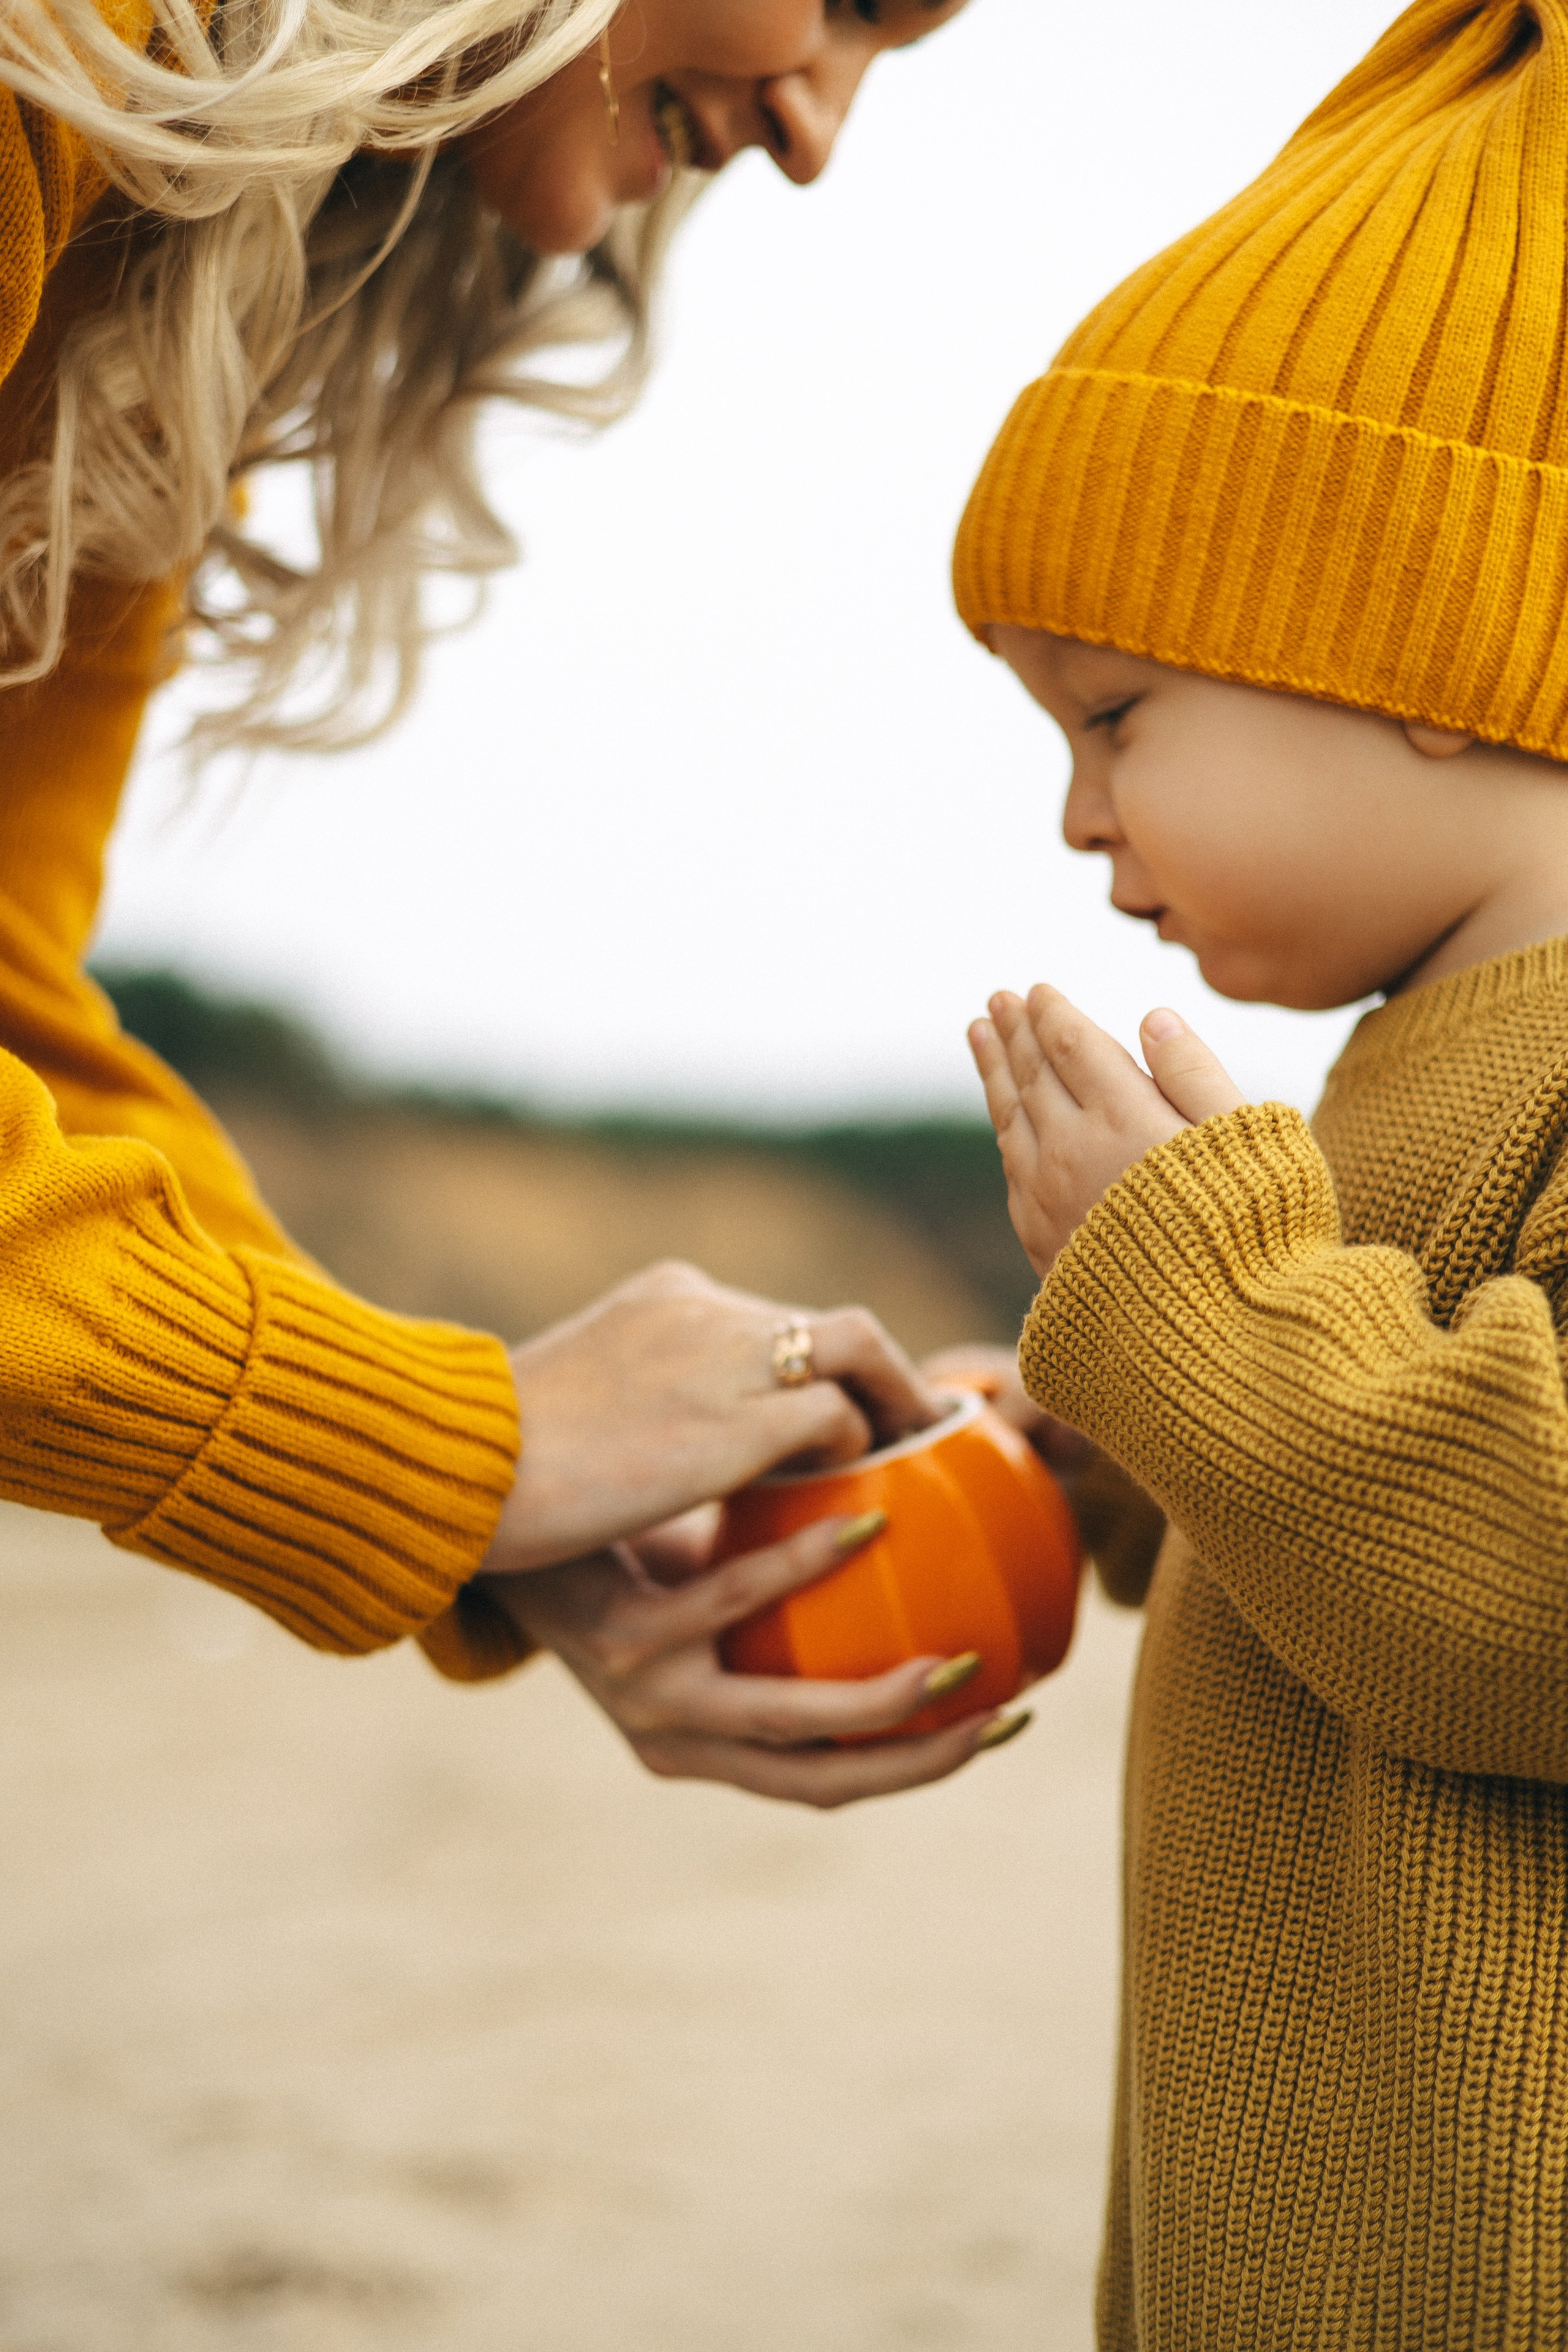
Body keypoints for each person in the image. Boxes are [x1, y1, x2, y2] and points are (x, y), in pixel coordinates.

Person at [0, 0, 1031, 1809]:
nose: (819, 134)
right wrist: (448, 1445)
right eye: (855, 4)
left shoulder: (159, 289)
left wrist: (485, 1506)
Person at [952, 0, 1568, 2340]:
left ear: (1423, 632)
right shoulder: (1414, 1060)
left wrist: (1196, 1306)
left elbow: (1538, 1584)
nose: (1081, 818)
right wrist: (1116, 1449)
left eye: (1115, 716)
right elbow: (1377, 1505)